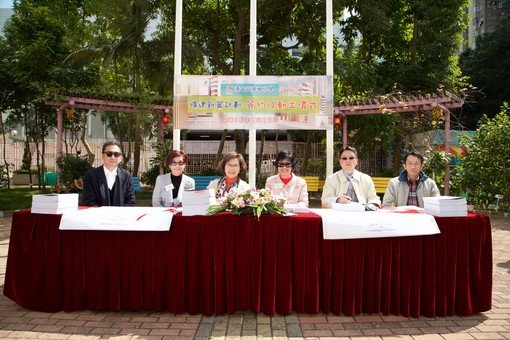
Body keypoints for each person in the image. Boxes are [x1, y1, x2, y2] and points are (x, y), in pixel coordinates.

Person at [82, 141, 136, 206]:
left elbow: (131, 203)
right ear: (103, 156)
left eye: (116, 154)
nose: (113, 157)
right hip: (97, 215)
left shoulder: (127, 176)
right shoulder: (91, 176)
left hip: (121, 215)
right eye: (109, 154)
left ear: (120, 158)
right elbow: (88, 202)